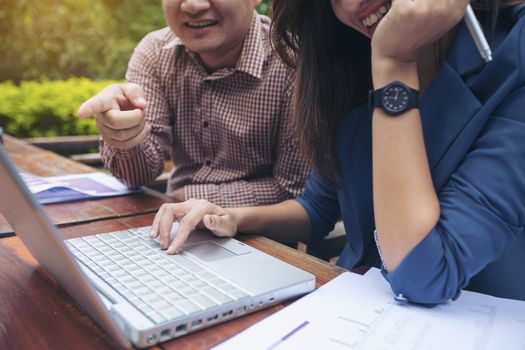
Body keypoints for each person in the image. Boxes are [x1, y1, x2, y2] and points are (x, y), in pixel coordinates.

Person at [149, 0, 525, 304]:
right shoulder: (350, 67)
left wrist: (394, 65)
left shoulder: (513, 55)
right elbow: (316, 208)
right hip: (349, 306)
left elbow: (424, 275)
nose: (352, 4)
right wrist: (228, 217)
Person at [77, 0, 309, 207]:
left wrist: (187, 197)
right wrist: (126, 138)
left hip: (261, 240)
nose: (193, 5)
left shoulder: (293, 63)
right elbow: (138, 177)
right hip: (171, 224)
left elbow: (294, 191)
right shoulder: (155, 52)